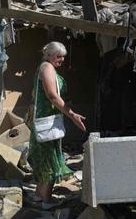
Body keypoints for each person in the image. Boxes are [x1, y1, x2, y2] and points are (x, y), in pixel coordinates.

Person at [29, 41, 86, 209]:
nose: (62, 60)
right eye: (59, 56)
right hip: (46, 119)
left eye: (63, 57)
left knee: (46, 156)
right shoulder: (46, 67)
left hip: (47, 118)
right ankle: (47, 200)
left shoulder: (46, 67)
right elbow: (52, 96)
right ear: (49, 55)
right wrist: (72, 115)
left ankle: (39, 195)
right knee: (50, 158)